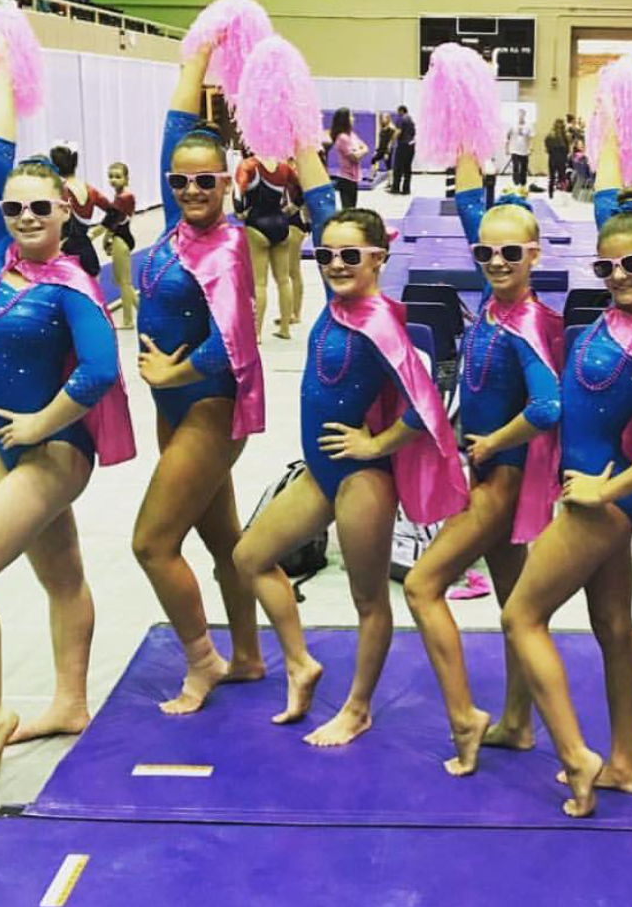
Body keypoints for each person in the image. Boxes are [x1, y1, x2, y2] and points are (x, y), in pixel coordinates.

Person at [0, 37, 131, 779]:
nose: (21, 215)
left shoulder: (71, 283)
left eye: (37, 206)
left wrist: (41, 424)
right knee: (61, 576)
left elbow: (104, 371)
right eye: (12, 206)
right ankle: (70, 703)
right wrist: (6, 68)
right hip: (10, 445)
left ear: (65, 209)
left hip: (52, 453)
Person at [233, 136, 467, 745]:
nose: (335, 265)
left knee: (368, 602)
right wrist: (297, 136)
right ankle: (300, 662)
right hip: (320, 471)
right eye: (326, 256)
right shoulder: (337, 304)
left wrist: (375, 447)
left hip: (362, 480)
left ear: (379, 258)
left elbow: (427, 408)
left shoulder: (381, 322)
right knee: (249, 559)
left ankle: (358, 707)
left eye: (350, 256)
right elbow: (317, 197)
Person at [502, 133, 632, 817]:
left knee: (520, 616)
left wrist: (605, 489)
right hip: (591, 492)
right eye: (607, 265)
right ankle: (627, 763)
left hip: (600, 501)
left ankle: (577, 756)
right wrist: (614, 136)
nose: (618, 275)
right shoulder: (619, 317)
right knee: (614, 630)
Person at [405, 155, 562, 774]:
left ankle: (466, 715)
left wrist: (494, 441)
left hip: (504, 479)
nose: (497, 263)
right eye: (486, 254)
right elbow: (476, 207)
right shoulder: (494, 311)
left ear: (535, 255)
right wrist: (462, 143)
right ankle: (519, 723)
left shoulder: (524, 322)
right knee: (516, 605)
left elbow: (549, 405)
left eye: (511, 254)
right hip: (492, 472)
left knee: (421, 587)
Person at [130, 41, 267, 714]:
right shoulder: (181, 225)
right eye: (179, 181)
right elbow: (175, 138)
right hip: (175, 409)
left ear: (227, 181)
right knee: (221, 540)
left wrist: (174, 367)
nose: (189, 190)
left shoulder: (227, 246)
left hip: (209, 405)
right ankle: (248, 653)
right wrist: (197, 58)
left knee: (152, 544)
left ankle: (202, 660)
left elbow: (234, 344)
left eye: (204, 181)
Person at [234, 152, 304, 341]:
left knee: (259, 282)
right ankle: (284, 328)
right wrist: (294, 207)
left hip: (257, 224)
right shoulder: (283, 166)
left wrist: (239, 212)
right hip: (281, 224)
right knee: (283, 280)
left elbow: (237, 192)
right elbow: (301, 188)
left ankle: (256, 333)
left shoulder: (248, 165)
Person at [50, 142, 109, 278]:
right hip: (87, 253)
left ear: (53, 166)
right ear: (76, 163)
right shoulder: (90, 190)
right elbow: (115, 213)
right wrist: (95, 232)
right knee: (94, 296)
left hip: (64, 254)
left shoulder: (58, 192)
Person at [98, 160, 137, 330]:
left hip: (121, 239)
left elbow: (111, 220)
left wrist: (100, 236)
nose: (113, 180)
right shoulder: (119, 197)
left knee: (125, 283)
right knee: (122, 281)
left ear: (126, 179)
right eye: (111, 177)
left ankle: (128, 321)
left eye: (118, 177)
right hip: (120, 237)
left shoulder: (124, 197)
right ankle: (141, 310)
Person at [330, 107, 369, 210]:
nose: (353, 118)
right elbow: (355, 158)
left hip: (354, 178)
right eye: (351, 116)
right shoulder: (343, 138)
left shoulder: (351, 135)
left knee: (352, 208)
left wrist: (360, 151)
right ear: (345, 119)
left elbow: (365, 146)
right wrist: (360, 151)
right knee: (348, 209)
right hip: (346, 178)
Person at [390, 105, 416, 195]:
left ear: (401, 111)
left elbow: (398, 131)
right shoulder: (411, 120)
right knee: (407, 168)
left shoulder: (401, 119)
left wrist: (392, 141)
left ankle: (395, 188)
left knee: (398, 168)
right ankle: (406, 189)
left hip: (403, 145)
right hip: (411, 146)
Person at [507, 108, 533, 187]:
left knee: (524, 168)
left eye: (522, 114)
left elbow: (531, 138)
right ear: (517, 115)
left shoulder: (529, 125)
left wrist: (531, 147)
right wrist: (506, 148)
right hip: (514, 149)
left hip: (524, 150)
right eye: (519, 114)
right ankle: (516, 183)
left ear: (524, 115)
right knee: (515, 167)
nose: (521, 116)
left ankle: (523, 183)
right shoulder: (512, 125)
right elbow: (507, 136)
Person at [545, 118, 570, 196]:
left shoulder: (549, 136)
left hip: (552, 159)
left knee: (552, 177)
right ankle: (562, 194)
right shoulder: (565, 136)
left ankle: (550, 193)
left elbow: (547, 149)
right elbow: (567, 149)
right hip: (562, 159)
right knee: (562, 177)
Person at [373, 112, 396, 179]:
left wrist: (387, 152)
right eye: (382, 118)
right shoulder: (383, 127)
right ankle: (373, 175)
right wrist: (377, 150)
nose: (383, 119)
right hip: (381, 149)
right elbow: (381, 141)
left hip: (387, 149)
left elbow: (390, 142)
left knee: (388, 165)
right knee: (374, 159)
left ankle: (390, 182)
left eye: (385, 118)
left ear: (388, 118)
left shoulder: (391, 128)